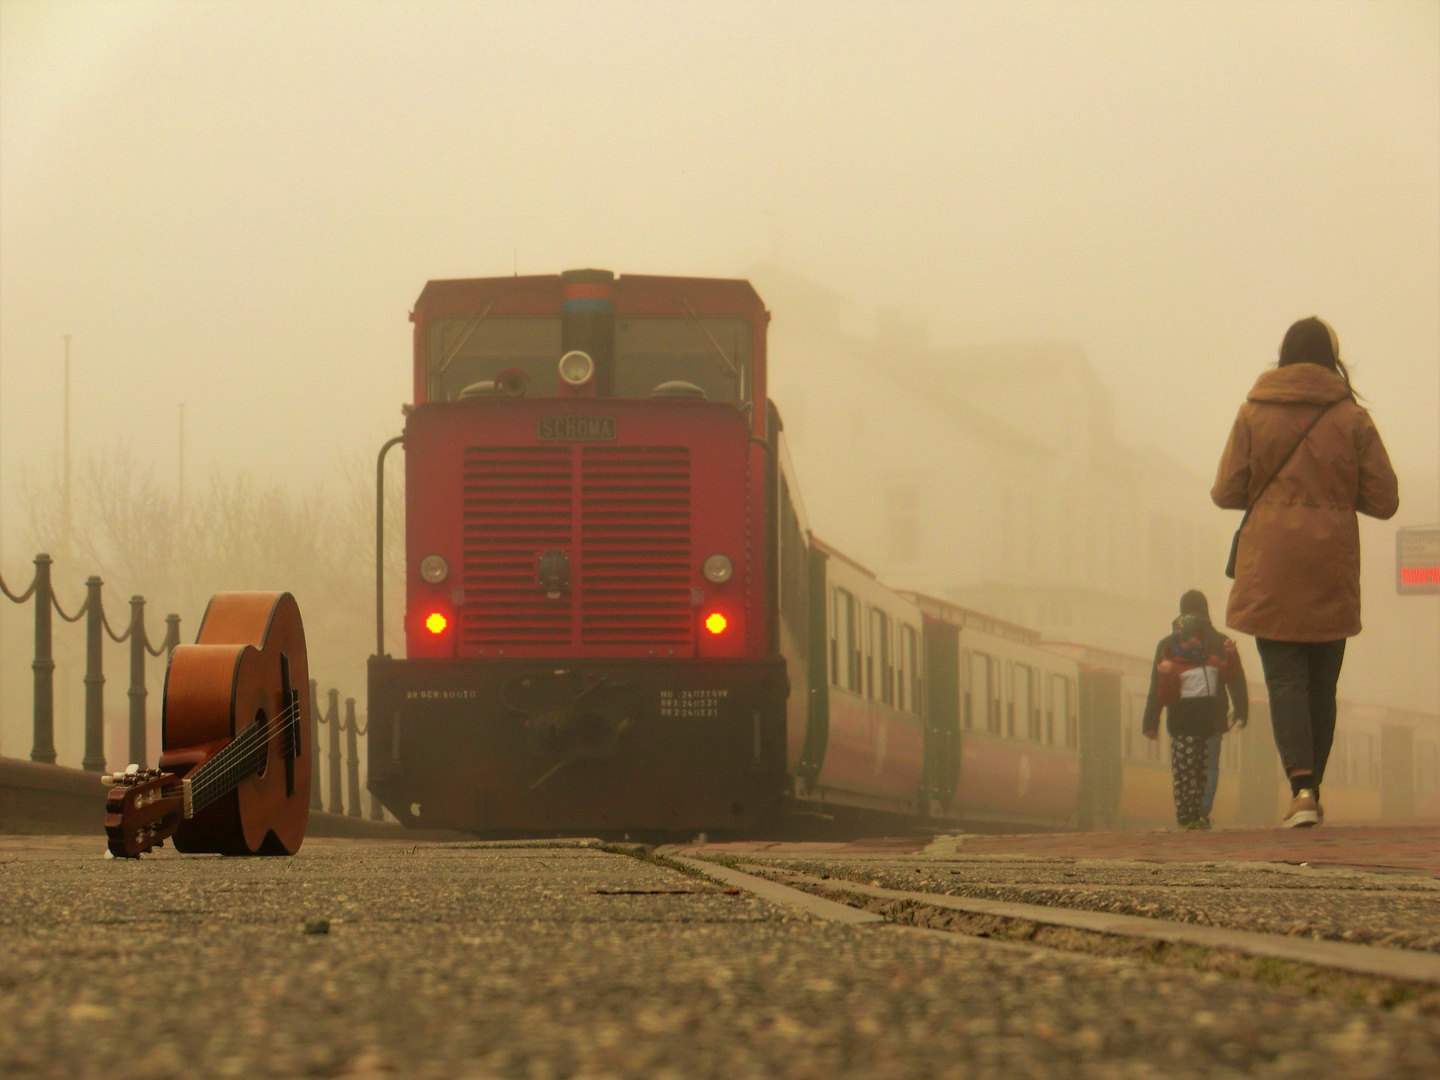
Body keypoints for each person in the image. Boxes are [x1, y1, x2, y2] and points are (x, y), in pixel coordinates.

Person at [1212, 317, 1398, 827]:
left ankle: (1301, 789)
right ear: (1332, 359)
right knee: (1321, 684)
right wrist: (1335, 495)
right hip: (1329, 566)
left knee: (1285, 682)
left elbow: (1227, 491)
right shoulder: (1353, 419)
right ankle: (1310, 788)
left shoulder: (1253, 411)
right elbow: (1385, 500)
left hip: (1269, 564)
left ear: (1284, 356)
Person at [1142, 590, 1248, 830]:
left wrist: (1151, 722)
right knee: (1207, 767)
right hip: (1213, 718)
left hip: (1181, 720)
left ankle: (1189, 813)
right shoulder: (1219, 642)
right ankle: (1200, 812)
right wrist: (1241, 710)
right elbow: (1235, 678)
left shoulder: (1168, 645)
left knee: (1185, 769)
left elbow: (1156, 686)